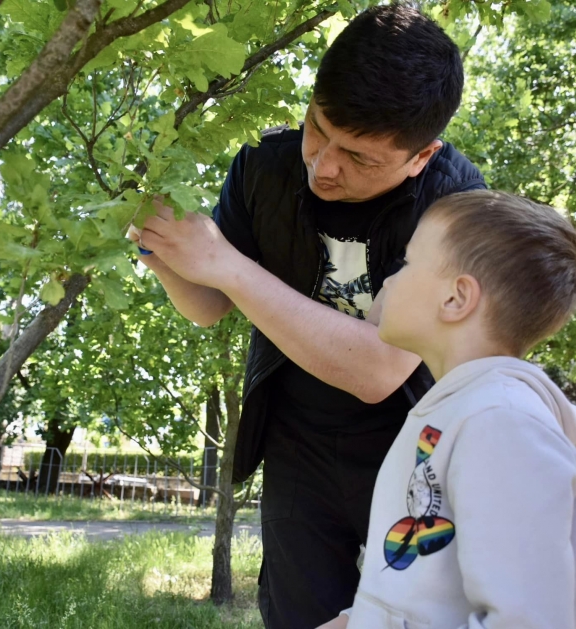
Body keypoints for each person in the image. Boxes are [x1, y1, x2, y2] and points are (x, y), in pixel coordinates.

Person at [129, 4, 484, 627]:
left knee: (407, 619)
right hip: (296, 442)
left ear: (421, 156)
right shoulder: (262, 166)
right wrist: (163, 253)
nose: (323, 166)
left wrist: (227, 264)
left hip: (416, 452)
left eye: (359, 158)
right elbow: (208, 306)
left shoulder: (456, 204)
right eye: (317, 129)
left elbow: (379, 369)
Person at [317, 190, 576, 629]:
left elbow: (526, 620)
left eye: (406, 264)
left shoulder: (502, 422)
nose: (388, 280)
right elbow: (417, 590)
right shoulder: (456, 410)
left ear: (455, 298)